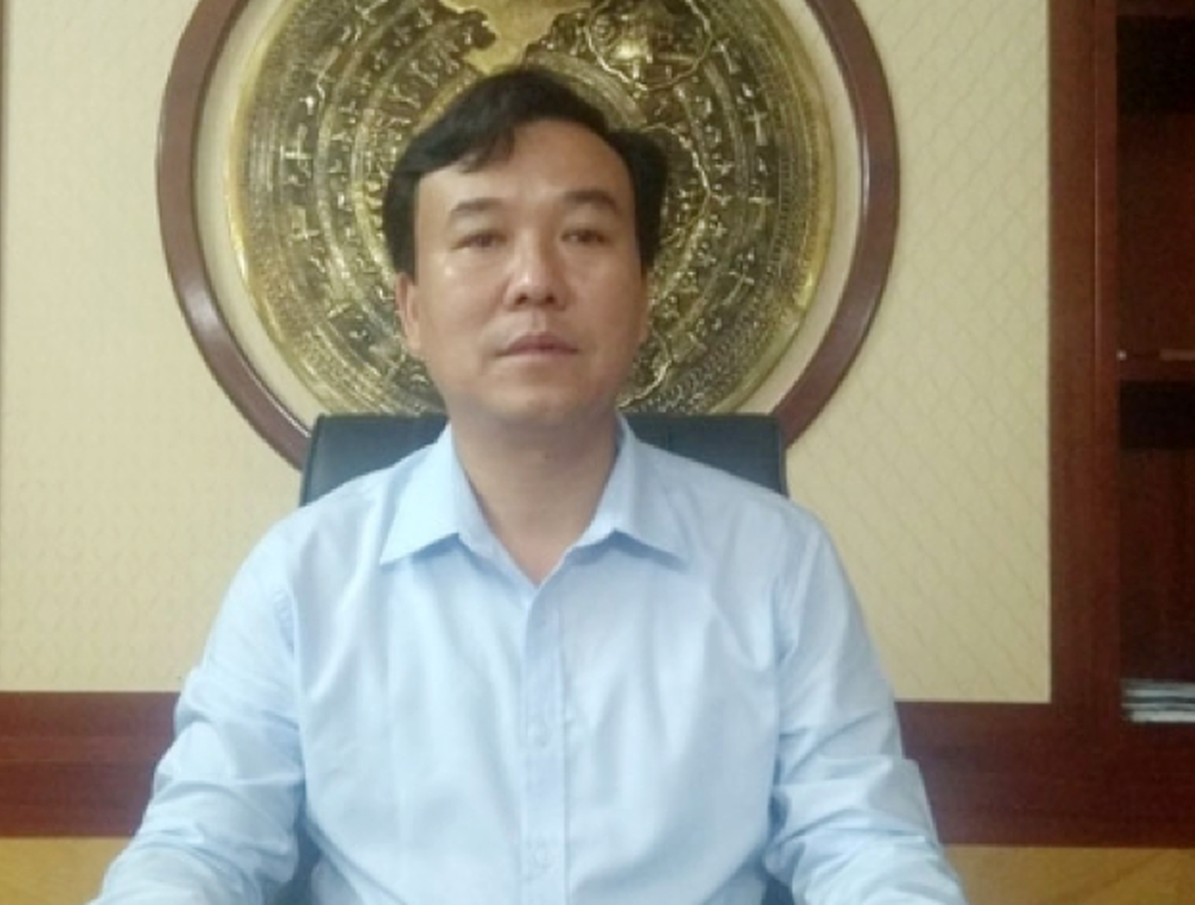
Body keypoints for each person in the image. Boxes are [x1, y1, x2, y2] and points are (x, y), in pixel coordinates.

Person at [93, 66, 968, 904]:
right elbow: (199, 846)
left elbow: (863, 842)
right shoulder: (302, 577)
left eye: (583, 235)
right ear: (411, 310)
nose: (535, 282)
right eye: (481, 239)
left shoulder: (777, 563)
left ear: (643, 294)